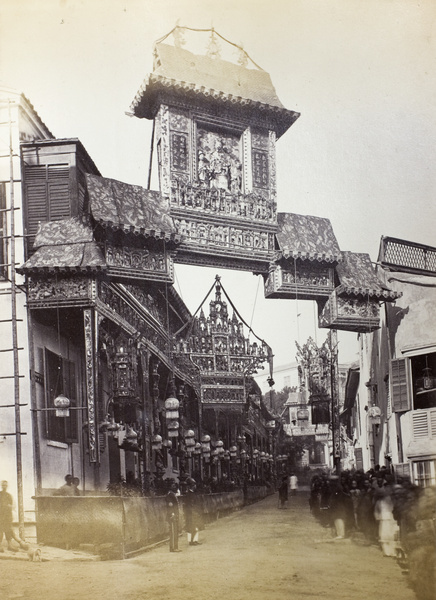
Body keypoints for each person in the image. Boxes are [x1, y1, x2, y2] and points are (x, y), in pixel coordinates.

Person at [0, 481, 28, 552]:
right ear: (1, 485)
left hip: (7, 516)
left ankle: (10, 545)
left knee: (9, 530)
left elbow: (13, 506)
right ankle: (0, 546)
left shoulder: (9, 495)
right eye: (3, 485)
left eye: (5, 485)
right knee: (0, 530)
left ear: (7, 486)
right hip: (0, 515)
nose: (4, 486)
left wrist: (9, 507)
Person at [183, 478, 202, 546]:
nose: (195, 486)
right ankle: (191, 541)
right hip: (191, 513)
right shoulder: (188, 494)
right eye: (194, 485)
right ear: (191, 486)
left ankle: (195, 540)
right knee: (190, 527)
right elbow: (188, 505)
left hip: (194, 512)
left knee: (196, 526)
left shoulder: (193, 493)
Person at [166, 480, 181, 552]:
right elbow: (170, 506)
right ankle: (173, 548)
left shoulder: (173, 494)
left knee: (175, 531)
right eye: (172, 484)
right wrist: (172, 514)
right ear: (170, 486)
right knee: (173, 532)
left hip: (175, 515)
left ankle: (175, 547)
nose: (174, 486)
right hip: (172, 516)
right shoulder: (169, 495)